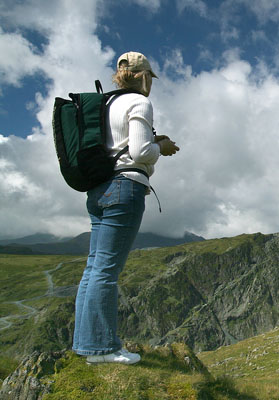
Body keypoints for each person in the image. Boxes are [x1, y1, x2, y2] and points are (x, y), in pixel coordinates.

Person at [72, 51, 179, 364]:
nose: (151, 84)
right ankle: (102, 350)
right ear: (143, 75)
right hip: (126, 189)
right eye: (150, 78)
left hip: (99, 189)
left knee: (93, 268)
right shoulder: (139, 102)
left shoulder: (105, 103)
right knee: (106, 271)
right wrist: (162, 146)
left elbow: (116, 145)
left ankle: (85, 344)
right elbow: (141, 151)